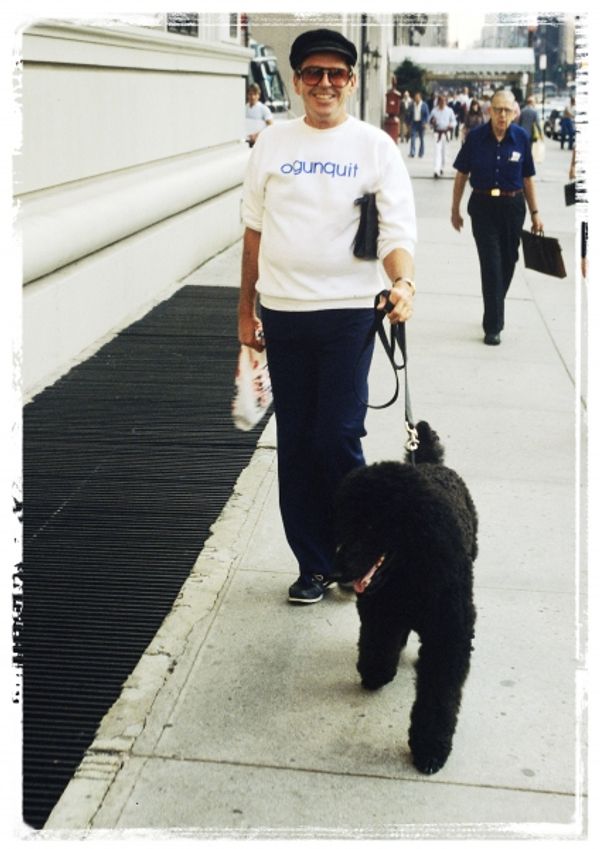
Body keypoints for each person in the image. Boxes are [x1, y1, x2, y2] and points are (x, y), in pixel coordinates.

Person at [238, 28, 417, 604]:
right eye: (313, 73)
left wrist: (403, 281)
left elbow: (395, 232)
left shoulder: (374, 147)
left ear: (351, 80)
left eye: (336, 73)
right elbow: (253, 231)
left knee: (337, 435)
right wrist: (246, 309)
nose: (324, 83)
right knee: (296, 440)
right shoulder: (271, 142)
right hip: (284, 313)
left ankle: (359, 554)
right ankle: (313, 564)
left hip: (347, 315)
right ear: (295, 81)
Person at [450, 89, 544, 345]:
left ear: (515, 113)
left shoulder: (522, 138)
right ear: (489, 111)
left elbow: (527, 177)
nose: (502, 115)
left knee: (509, 260)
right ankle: (493, 326)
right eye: (497, 110)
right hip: (482, 206)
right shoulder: (476, 138)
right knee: (491, 264)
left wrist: (536, 213)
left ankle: (494, 304)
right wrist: (455, 208)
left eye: (507, 111)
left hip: (513, 207)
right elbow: (461, 174)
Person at [429, 94, 456, 178]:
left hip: (446, 133)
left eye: (444, 101)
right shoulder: (434, 111)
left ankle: (441, 167)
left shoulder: (449, 111)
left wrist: (450, 125)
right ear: (438, 102)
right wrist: (432, 122)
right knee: (437, 152)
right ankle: (436, 169)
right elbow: (429, 121)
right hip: (437, 133)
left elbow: (454, 122)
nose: (442, 103)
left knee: (444, 153)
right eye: (441, 101)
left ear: (446, 102)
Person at [245, 83, 273, 147]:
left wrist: (257, 136)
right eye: (250, 94)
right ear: (247, 95)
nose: (252, 97)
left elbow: (270, 126)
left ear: (258, 95)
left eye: (255, 94)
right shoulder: (244, 108)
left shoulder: (263, 109)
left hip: (260, 142)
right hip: (246, 142)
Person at [407, 91, 430, 157]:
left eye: (417, 97)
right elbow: (409, 114)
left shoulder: (424, 105)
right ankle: (412, 152)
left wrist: (425, 123)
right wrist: (408, 123)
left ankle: (421, 153)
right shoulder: (412, 105)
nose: (416, 99)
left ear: (420, 97)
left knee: (421, 139)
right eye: (415, 97)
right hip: (414, 123)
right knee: (413, 138)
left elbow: (427, 115)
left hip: (421, 123)